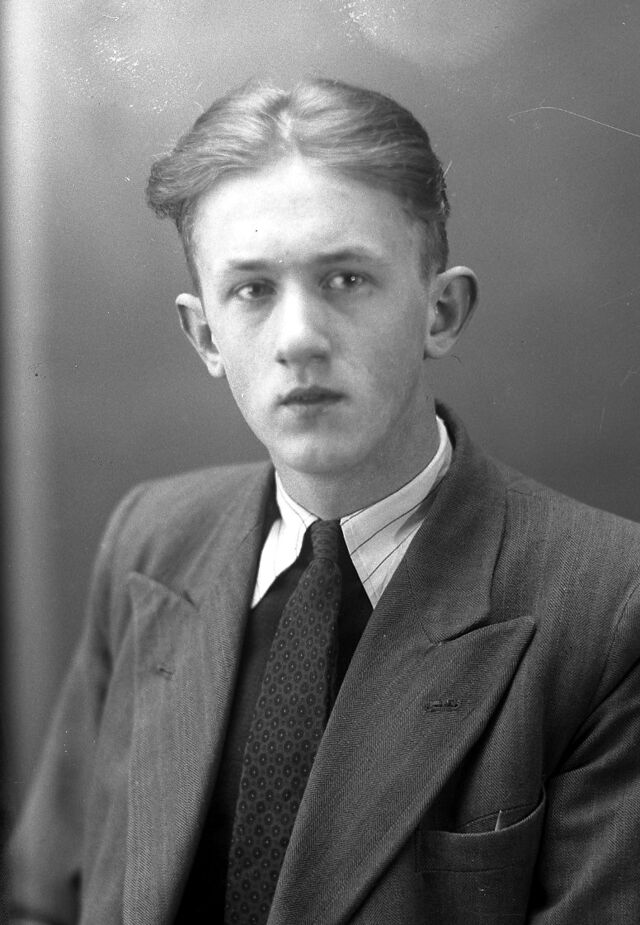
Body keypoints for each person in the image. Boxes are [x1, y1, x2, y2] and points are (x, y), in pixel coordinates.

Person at [7, 77, 640, 925]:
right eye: (252, 289)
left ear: (441, 311)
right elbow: (43, 898)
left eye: (345, 278)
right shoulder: (152, 540)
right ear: (205, 335)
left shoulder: (608, 604)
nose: (299, 337)